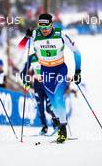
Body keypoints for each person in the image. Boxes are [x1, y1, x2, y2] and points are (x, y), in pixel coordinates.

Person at [24, 13, 81, 143]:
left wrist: (78, 71)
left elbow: (76, 52)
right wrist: (26, 36)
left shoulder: (60, 34)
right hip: (45, 71)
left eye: (46, 27)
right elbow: (22, 44)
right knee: (53, 103)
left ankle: (63, 129)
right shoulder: (35, 35)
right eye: (41, 27)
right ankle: (59, 121)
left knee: (58, 96)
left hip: (60, 69)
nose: (44, 30)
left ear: (51, 25)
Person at [20, 53, 59, 135]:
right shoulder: (31, 57)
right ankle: (44, 127)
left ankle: (56, 124)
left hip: (48, 84)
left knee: (49, 108)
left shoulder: (47, 53)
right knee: (40, 108)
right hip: (37, 86)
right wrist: (25, 82)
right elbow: (22, 73)